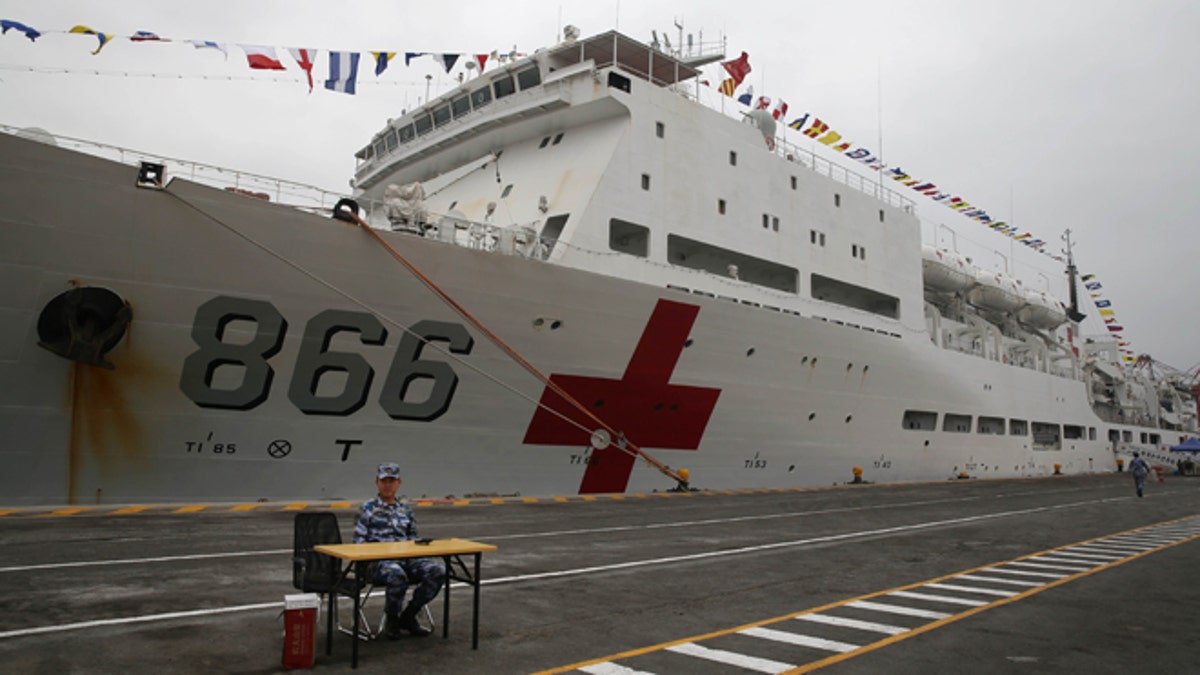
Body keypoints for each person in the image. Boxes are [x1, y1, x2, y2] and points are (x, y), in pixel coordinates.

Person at [354, 462, 445, 639]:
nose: (388, 485)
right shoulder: (366, 509)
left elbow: (413, 539)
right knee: (397, 574)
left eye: (391, 481)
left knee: (437, 571)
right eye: (384, 481)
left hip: (406, 558)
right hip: (378, 563)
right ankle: (392, 619)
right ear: (377, 483)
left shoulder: (406, 509)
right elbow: (358, 544)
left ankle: (410, 614)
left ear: (399, 483)